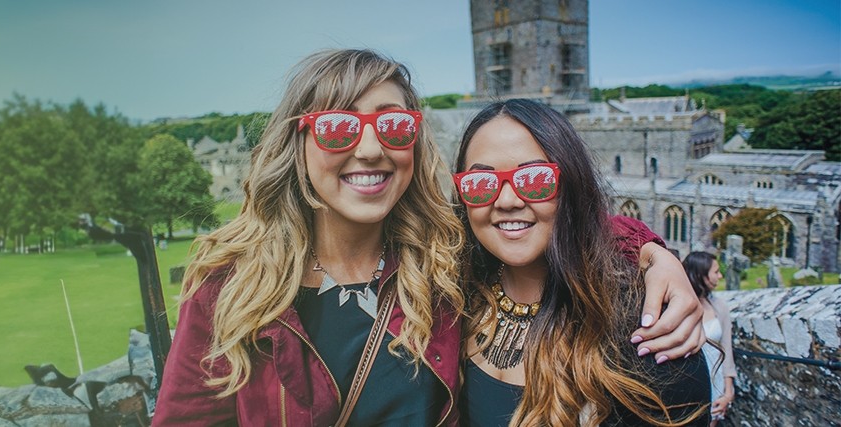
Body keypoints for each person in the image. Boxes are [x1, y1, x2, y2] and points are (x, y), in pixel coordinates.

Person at [153, 49, 704, 426]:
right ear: (298, 143)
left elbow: (537, 216)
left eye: (392, 126)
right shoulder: (232, 285)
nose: (370, 149)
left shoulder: (441, 259)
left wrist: (652, 253)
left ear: (414, 141)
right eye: (338, 127)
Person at [452, 99, 710, 426]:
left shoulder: (649, 331)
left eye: (535, 179)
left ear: (571, 184)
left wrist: (655, 254)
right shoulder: (456, 296)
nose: (507, 201)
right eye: (480, 184)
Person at [682, 252, 737, 424]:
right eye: (716, 271)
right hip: (686, 384)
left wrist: (728, 391)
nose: (720, 276)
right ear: (700, 275)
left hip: (715, 384)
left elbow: (726, 349)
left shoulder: (719, 307)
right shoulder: (679, 305)